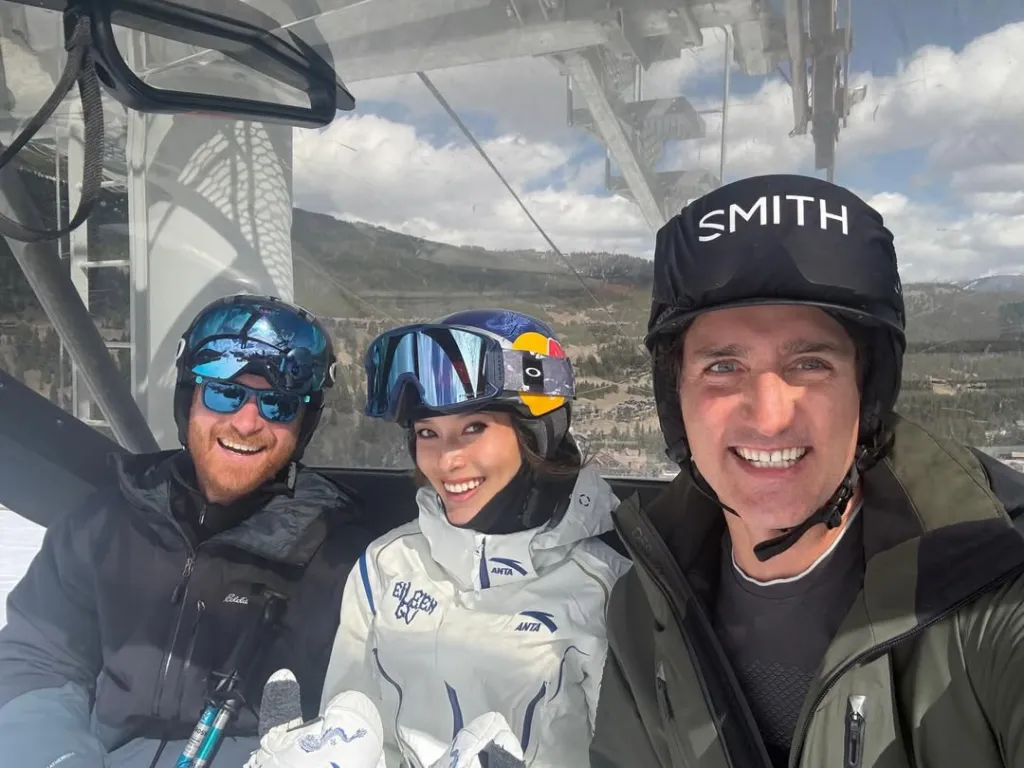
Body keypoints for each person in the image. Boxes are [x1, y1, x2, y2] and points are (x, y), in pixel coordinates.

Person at [589, 174, 1024, 768]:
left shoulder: (990, 585)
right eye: (723, 366)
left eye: (811, 363)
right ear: (676, 395)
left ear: (865, 392)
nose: (769, 418)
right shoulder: (644, 608)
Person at [0, 293, 375, 768]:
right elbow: (39, 660)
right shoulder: (109, 522)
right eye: (224, 392)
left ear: (303, 424)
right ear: (188, 400)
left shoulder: (340, 562)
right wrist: (58, 758)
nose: (246, 422)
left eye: (278, 405)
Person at [296, 308, 630, 767]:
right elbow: (354, 729)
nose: (446, 460)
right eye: (427, 433)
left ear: (536, 434)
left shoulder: (606, 590)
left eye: (474, 428)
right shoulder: (388, 565)